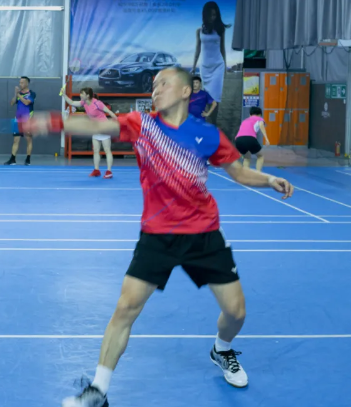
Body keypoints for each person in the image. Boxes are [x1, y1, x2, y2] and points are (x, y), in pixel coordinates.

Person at [22, 67, 294, 407]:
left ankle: (221, 349)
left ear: (185, 91)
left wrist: (268, 180)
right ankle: (98, 390)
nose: (156, 90)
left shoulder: (207, 134)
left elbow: (238, 172)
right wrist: (53, 122)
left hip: (203, 233)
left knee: (236, 312)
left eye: (164, 84)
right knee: (126, 307)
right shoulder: (142, 124)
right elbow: (95, 125)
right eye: (154, 86)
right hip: (157, 234)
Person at [63, 87, 118, 178]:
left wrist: (118, 122)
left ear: (88, 95)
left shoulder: (97, 103)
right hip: (95, 129)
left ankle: (109, 171)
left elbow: (109, 112)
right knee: (96, 150)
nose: (80, 95)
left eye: (82, 93)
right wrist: (64, 95)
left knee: (107, 150)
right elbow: (72, 102)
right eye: (80, 93)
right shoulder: (84, 102)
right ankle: (96, 170)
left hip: (104, 128)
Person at [191, 1, 231, 125]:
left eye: (214, 15)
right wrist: (193, 66)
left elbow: (223, 49)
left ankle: (214, 122)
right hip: (204, 68)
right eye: (210, 15)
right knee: (208, 97)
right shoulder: (199, 31)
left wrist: (225, 66)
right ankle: (211, 121)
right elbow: (197, 49)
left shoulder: (220, 30)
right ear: (205, 15)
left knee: (215, 97)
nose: (212, 18)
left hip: (218, 66)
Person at [4, 76, 36, 166]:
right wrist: (16, 94)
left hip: (28, 120)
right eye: (19, 82)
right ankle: (13, 159)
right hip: (18, 120)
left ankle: (28, 159)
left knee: (28, 140)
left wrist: (18, 95)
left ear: (27, 83)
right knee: (15, 140)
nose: (20, 84)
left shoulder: (32, 94)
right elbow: (12, 103)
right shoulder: (19, 94)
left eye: (22, 82)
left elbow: (26, 102)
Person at [236, 107, 270, 172]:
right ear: (260, 114)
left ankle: (246, 175)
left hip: (238, 140)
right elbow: (261, 124)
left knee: (247, 157)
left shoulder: (244, 121)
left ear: (250, 114)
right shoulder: (259, 118)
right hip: (250, 139)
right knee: (260, 156)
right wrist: (266, 139)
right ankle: (258, 174)